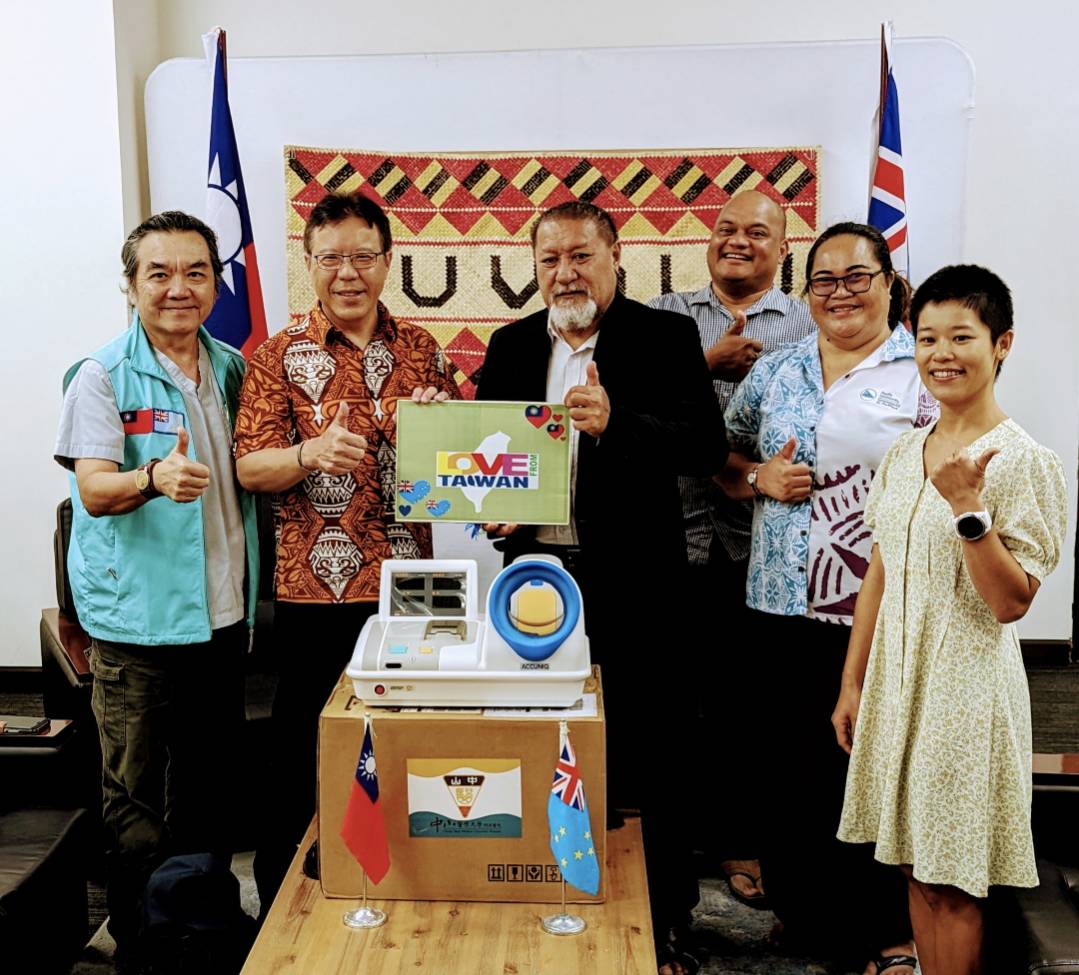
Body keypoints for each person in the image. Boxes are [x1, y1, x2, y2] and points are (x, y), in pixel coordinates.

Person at [476, 200, 726, 975]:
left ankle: (666, 918)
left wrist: (617, 423)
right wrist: (490, 508)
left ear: (616, 254)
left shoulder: (665, 336)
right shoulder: (511, 342)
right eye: (549, 258)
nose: (564, 272)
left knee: (654, 751)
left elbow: (704, 444)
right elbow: (489, 450)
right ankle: (558, 896)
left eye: (580, 254)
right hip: (536, 579)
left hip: (638, 579)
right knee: (549, 746)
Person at [834, 265, 1067, 975]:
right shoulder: (906, 450)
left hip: (963, 696)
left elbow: (1010, 602)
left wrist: (969, 512)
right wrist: (852, 683)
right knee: (912, 863)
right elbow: (880, 570)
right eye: (927, 336)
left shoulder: (1023, 461)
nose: (942, 352)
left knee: (951, 878)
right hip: (897, 688)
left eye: (960, 335)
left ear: (1000, 344)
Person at [720, 222, 936, 974]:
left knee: (867, 769)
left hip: (874, 610)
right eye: (823, 280)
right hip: (777, 603)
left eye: (856, 276)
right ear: (803, 291)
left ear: (887, 284)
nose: (839, 292)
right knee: (788, 771)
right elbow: (723, 450)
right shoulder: (776, 372)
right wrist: (754, 478)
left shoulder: (921, 372)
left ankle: (882, 930)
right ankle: (806, 916)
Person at [234, 191, 459, 912]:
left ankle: (401, 880)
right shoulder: (275, 355)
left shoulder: (422, 348)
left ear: (388, 261)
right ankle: (286, 899)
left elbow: (456, 469)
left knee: (404, 738)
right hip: (313, 587)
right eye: (330, 258)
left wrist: (439, 428)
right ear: (309, 265)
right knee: (307, 746)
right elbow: (248, 467)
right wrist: (308, 452)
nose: (348, 272)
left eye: (363, 255)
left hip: (415, 581)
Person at [54, 211, 259, 968]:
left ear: (216, 280)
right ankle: (144, 940)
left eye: (196, 271)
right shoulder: (101, 374)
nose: (179, 288)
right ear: (131, 285)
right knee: (135, 792)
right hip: (135, 624)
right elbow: (95, 490)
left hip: (218, 613)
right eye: (159, 273)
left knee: (208, 785)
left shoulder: (233, 366)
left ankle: (201, 926)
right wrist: (152, 476)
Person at [648, 189, 815, 907]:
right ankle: (674, 844)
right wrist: (702, 364)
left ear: (782, 248)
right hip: (670, 536)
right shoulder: (662, 318)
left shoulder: (810, 324)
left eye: (756, 232)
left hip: (768, 549)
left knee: (755, 704)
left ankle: (745, 841)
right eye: (724, 229)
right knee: (673, 700)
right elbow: (623, 407)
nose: (736, 241)